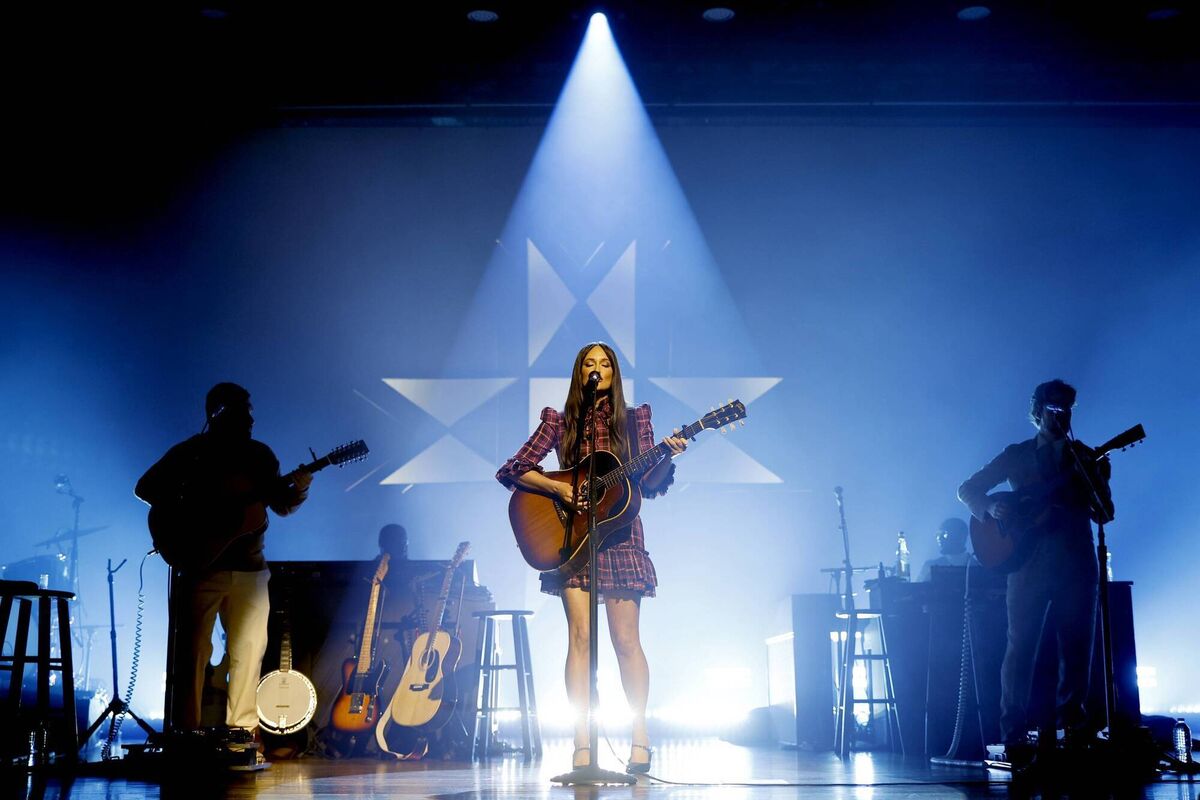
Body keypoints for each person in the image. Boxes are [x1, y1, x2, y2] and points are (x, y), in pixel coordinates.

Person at [496, 342, 686, 774]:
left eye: (605, 363)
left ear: (615, 373)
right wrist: (559, 489)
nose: (596, 369)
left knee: (625, 642)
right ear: (579, 372)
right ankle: (582, 742)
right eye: (588, 363)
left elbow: (650, 484)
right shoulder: (560, 422)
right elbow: (513, 468)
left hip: (620, 535)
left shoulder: (635, 421)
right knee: (580, 640)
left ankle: (640, 736)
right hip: (573, 536)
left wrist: (668, 453)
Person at [135, 382, 312, 742]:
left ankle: (243, 733)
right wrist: (194, 515)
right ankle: (185, 733)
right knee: (191, 655)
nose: (249, 417)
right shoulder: (192, 453)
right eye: (240, 410)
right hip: (200, 566)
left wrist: (301, 486)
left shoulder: (261, 456)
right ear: (217, 413)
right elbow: (146, 488)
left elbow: (280, 505)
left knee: (248, 654)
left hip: (251, 568)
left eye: (250, 409)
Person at [957, 379, 1113, 768]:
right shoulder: (1017, 455)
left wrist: (1099, 481)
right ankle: (1012, 734)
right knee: (1020, 648)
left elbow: (1105, 514)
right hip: (1026, 565)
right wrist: (991, 509)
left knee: (1077, 649)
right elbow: (968, 488)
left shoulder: (1084, 458)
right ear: (1038, 411)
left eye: (1067, 410)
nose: (1060, 416)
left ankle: (1073, 730)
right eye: (1053, 409)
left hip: (1077, 564)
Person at [915, 517, 978, 582]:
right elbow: (916, 590)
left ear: (961, 536)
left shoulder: (977, 568)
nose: (939, 538)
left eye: (944, 534)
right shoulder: (929, 567)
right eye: (938, 534)